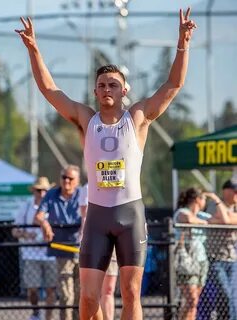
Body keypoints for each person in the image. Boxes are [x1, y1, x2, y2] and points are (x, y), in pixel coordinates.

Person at [16, 8, 197, 319]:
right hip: (98, 217)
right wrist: (34, 50)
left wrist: (183, 42)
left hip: (130, 214)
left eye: (113, 84)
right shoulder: (87, 119)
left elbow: (172, 86)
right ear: (95, 91)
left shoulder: (138, 117)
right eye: (102, 85)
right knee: (87, 299)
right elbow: (49, 90)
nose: (107, 89)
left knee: (130, 294)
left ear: (124, 90)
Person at [34, 165, 81, 320]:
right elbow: (39, 215)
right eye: (64, 177)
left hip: (82, 250)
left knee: (82, 294)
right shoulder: (52, 194)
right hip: (62, 250)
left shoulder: (82, 194)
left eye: (70, 178)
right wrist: (45, 225)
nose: (66, 181)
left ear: (77, 181)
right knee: (66, 295)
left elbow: (91, 216)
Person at [173, 187, 223, 320]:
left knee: (194, 303)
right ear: (197, 199)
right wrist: (207, 223)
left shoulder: (201, 215)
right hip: (186, 260)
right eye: (205, 199)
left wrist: (216, 200)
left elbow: (223, 220)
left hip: (201, 261)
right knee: (191, 300)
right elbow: (188, 219)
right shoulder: (182, 212)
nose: (205, 202)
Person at [12, 176, 57, 320]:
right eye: (39, 190)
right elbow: (14, 230)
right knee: (32, 289)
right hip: (31, 254)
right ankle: (36, 313)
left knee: (51, 288)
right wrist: (26, 234)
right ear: (34, 191)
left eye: (44, 190)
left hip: (50, 253)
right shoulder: (26, 206)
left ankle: (49, 317)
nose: (42, 193)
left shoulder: (53, 205)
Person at [197, 179, 237, 320]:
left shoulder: (234, 208)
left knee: (232, 297)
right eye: (235, 191)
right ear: (226, 191)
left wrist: (224, 218)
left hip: (232, 259)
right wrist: (217, 202)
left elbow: (226, 220)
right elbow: (224, 221)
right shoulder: (215, 206)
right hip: (216, 258)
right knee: (224, 294)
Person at [79, 183, 118, 320]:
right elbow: (85, 214)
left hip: (112, 240)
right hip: (92, 242)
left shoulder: (117, 183)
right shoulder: (87, 188)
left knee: (108, 290)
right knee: (90, 294)